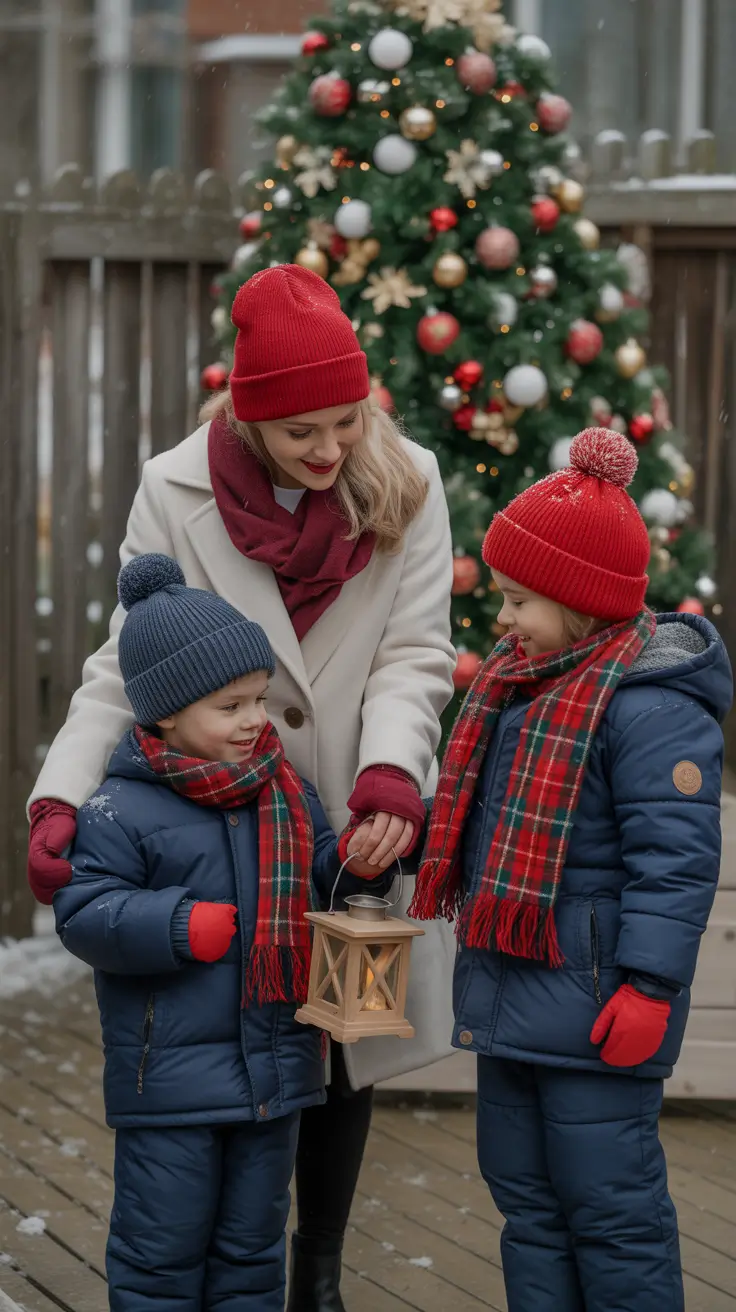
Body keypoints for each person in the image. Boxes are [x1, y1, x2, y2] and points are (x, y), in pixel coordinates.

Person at [28, 264, 456, 1310]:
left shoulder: (409, 480)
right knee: (240, 1058)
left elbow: (414, 654)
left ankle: (319, 1273)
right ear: (247, 415)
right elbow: (127, 659)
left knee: (343, 1046)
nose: (330, 449)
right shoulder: (175, 489)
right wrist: (61, 795)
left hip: (347, 819)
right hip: (213, 821)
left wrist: (391, 775)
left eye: (347, 420)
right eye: (301, 430)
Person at [410, 427, 732, 1312]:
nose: (502, 618)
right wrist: (412, 832)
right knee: (528, 1205)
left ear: (580, 601)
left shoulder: (650, 710)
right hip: (510, 999)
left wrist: (651, 987)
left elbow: (676, 862)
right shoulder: (520, 689)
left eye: (519, 600)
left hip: (596, 1008)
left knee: (612, 1209)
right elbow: (486, 824)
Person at [55, 553, 389, 1310]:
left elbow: (320, 874)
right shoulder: (120, 808)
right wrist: (176, 925)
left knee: (251, 1254)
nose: (254, 720)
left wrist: (359, 863)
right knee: (161, 1255)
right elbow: (84, 913)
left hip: (275, 1076)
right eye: (229, 705)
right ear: (166, 713)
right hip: (171, 1086)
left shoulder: (286, 791)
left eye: (258, 699)